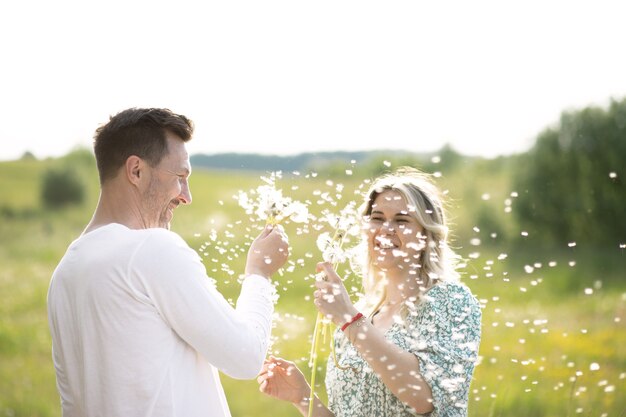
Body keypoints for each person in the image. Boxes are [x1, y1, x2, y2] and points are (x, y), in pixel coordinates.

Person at [47, 108, 290, 417]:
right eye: (180, 177)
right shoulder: (152, 249)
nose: (186, 196)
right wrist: (259, 272)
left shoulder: (65, 271)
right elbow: (245, 357)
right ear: (136, 171)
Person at [257, 167, 482, 417]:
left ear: (426, 234)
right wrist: (303, 397)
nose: (386, 228)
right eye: (377, 218)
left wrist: (349, 320)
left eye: (402, 220)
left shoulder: (452, 301)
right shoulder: (361, 317)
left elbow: (424, 398)